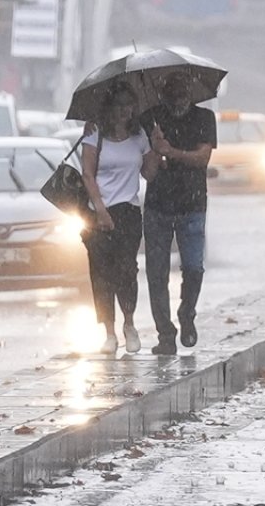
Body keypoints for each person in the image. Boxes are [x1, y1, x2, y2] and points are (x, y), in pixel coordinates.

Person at [140, 72, 216, 355]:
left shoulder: (204, 119)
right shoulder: (151, 119)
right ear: (163, 92)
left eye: (183, 89)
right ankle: (165, 334)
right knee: (156, 273)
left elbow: (202, 158)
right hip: (158, 206)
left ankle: (187, 313)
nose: (178, 95)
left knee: (194, 268)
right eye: (172, 90)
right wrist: (155, 152)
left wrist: (171, 151)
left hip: (192, 206)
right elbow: (145, 169)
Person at [81, 84, 159, 354]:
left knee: (127, 269)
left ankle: (129, 323)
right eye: (120, 104)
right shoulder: (94, 136)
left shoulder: (140, 137)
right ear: (109, 108)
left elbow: (150, 174)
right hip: (98, 212)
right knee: (101, 272)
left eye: (130, 105)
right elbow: (88, 174)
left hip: (128, 211)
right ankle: (109, 332)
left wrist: (157, 149)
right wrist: (100, 210)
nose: (125, 110)